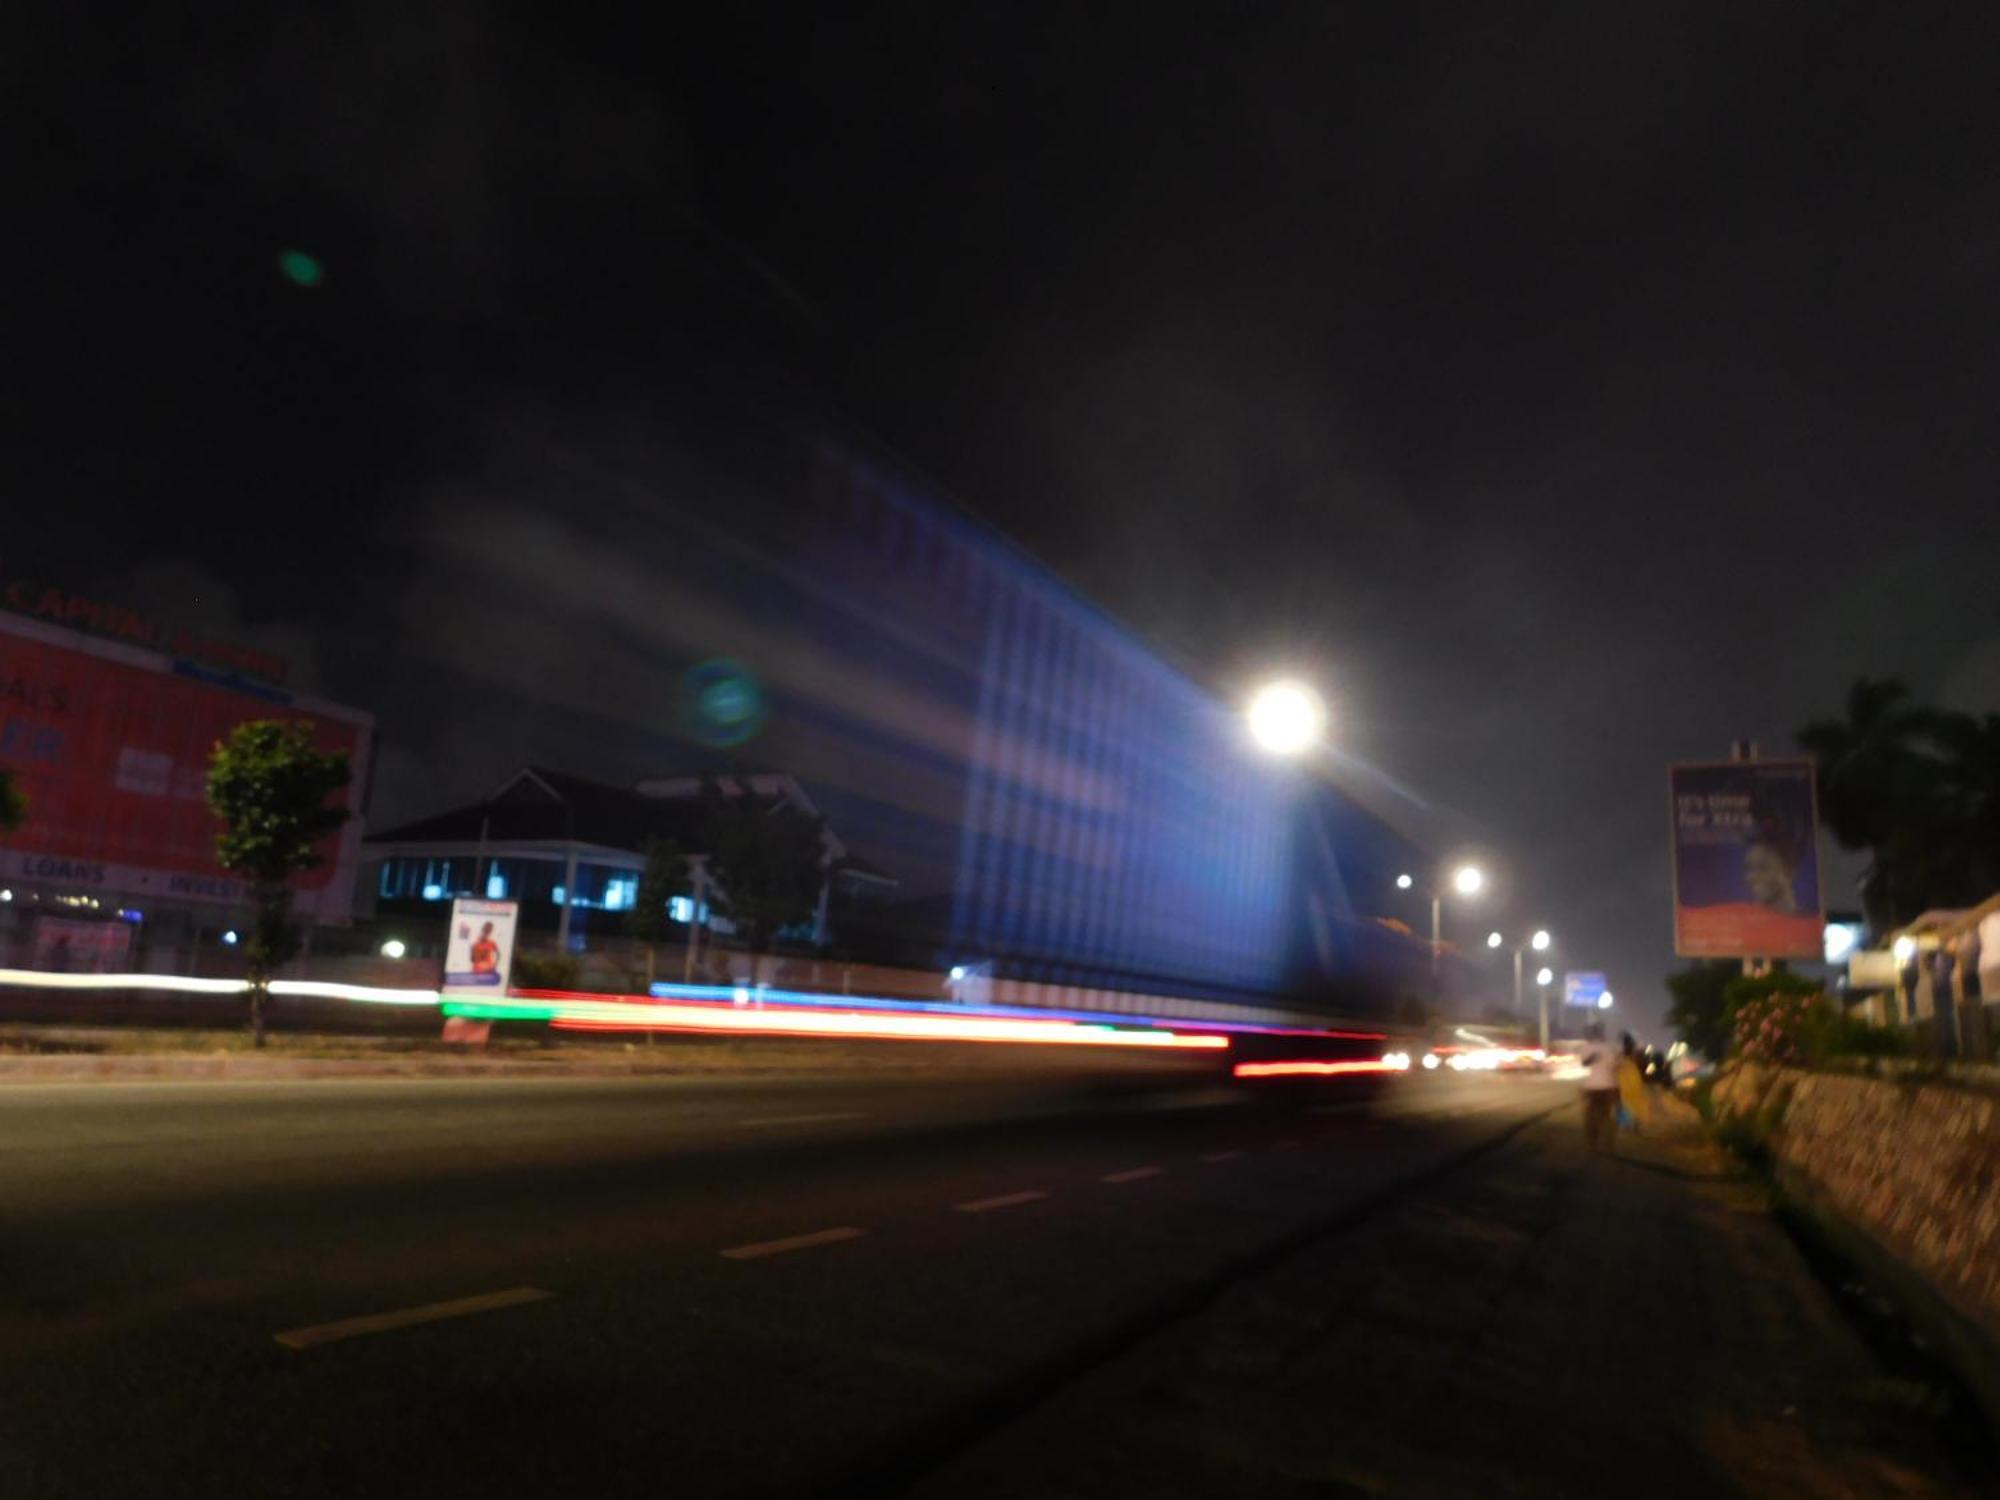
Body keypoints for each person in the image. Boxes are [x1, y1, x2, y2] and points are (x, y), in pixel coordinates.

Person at [1578, 1023, 1620, 1152]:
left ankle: (1592, 1145)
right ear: (1602, 1033)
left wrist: (1593, 1059)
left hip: (1591, 1086)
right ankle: (1608, 1145)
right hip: (1608, 1086)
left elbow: (1584, 1063)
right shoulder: (1610, 1048)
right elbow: (1615, 1066)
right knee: (1607, 1116)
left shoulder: (1586, 1047)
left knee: (1590, 1117)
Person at [1617, 1032, 1650, 1132]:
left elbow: (1616, 1066)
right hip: (1634, 1078)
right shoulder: (1637, 1053)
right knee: (1636, 1101)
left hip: (1623, 1078)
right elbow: (1644, 1065)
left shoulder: (1620, 1054)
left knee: (1623, 1101)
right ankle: (1637, 1123)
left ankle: (1625, 1124)